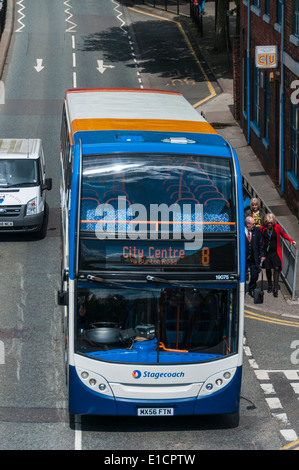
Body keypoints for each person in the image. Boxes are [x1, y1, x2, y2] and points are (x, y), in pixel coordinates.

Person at [260, 213, 296, 297]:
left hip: (275, 252)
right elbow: (261, 240)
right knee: (268, 269)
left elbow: (283, 234)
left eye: (271, 223)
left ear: (273, 222)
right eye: (268, 223)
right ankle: (269, 285)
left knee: (276, 268)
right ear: (265, 222)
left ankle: (275, 287)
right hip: (267, 252)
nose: (269, 224)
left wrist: (291, 240)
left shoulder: (277, 227)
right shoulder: (262, 228)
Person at [245, 216, 265, 297]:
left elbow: (260, 244)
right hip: (243, 258)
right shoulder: (240, 230)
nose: (254, 225)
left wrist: (262, 255)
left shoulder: (257, 231)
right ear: (247, 224)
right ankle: (241, 290)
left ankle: (252, 289)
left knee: (255, 275)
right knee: (242, 275)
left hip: (254, 257)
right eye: (253, 224)